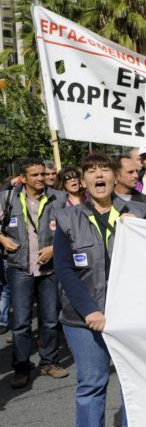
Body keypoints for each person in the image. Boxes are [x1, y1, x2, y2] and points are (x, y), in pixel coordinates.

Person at [54, 153, 146, 427]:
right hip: (83, 320)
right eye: (91, 171)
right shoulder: (67, 218)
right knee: (92, 384)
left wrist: (140, 231)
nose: (98, 175)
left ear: (114, 177)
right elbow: (64, 269)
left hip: (128, 315)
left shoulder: (138, 214)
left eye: (104, 169)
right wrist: (90, 310)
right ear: (83, 181)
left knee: (133, 385)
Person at [0, 157, 69, 388]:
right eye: (35, 175)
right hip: (19, 268)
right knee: (21, 323)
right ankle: (21, 367)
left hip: (50, 270)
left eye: (43, 174)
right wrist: (2, 239)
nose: (41, 178)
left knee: (49, 321)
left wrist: (54, 247)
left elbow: (71, 230)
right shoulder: (8, 197)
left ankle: (49, 362)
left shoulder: (58, 198)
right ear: (24, 177)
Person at [114, 155, 146, 222]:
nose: (136, 176)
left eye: (136, 171)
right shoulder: (105, 201)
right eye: (130, 172)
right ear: (116, 176)